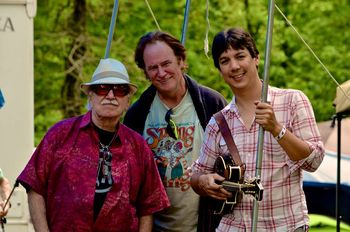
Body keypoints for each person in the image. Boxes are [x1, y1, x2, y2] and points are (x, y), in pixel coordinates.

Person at [191, 28, 325, 232]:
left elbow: (313, 161)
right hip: (233, 227)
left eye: (240, 56)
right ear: (220, 70)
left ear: (256, 58)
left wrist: (277, 129)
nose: (234, 66)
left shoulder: (292, 101)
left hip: (285, 227)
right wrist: (203, 181)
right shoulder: (218, 122)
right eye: (225, 61)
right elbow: (197, 175)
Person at [17, 58, 170, 232]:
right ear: (91, 95)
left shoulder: (138, 147)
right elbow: (35, 187)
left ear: (127, 101)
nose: (111, 96)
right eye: (102, 88)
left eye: (120, 90)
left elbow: (148, 206)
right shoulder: (60, 134)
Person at [123, 31, 227, 232]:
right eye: (153, 67)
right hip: (154, 226)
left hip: (206, 224)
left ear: (180, 61)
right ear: (145, 72)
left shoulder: (212, 103)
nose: (161, 73)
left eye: (166, 63)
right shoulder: (137, 115)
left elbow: (232, 162)